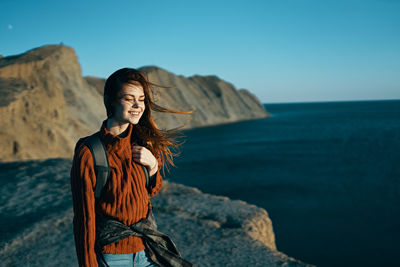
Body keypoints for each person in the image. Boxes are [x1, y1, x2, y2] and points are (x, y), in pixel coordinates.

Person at [70, 68, 195, 267]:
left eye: (142, 99)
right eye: (129, 98)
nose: (138, 105)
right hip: (112, 257)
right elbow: (84, 218)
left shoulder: (143, 142)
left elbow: (151, 190)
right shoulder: (90, 151)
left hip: (147, 251)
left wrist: (153, 166)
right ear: (111, 100)